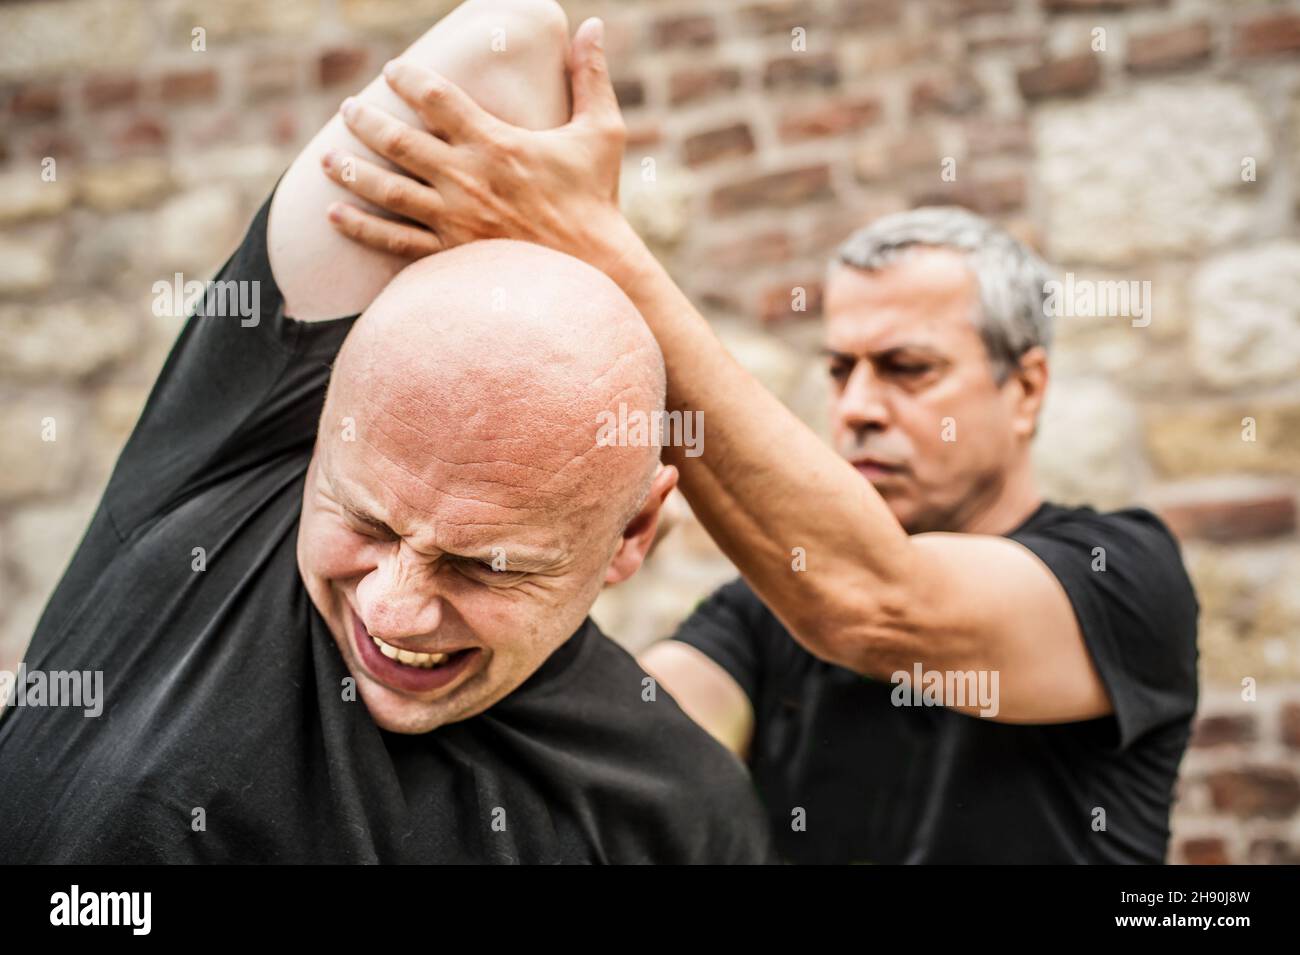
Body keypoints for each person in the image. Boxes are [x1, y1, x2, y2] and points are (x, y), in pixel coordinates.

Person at [317, 8, 1201, 864]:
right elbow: (638, 745)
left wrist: (598, 245)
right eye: (840, 368)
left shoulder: (1123, 573)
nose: (857, 404)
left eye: (907, 368)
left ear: (1026, 389)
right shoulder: (760, 614)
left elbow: (872, 602)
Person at [0, 0, 776, 865]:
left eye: (486, 564)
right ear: (321, 428)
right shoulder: (233, 464)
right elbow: (512, 34)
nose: (389, 608)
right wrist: (583, 228)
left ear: (634, 530)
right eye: (365, 523)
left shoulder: (678, 813)